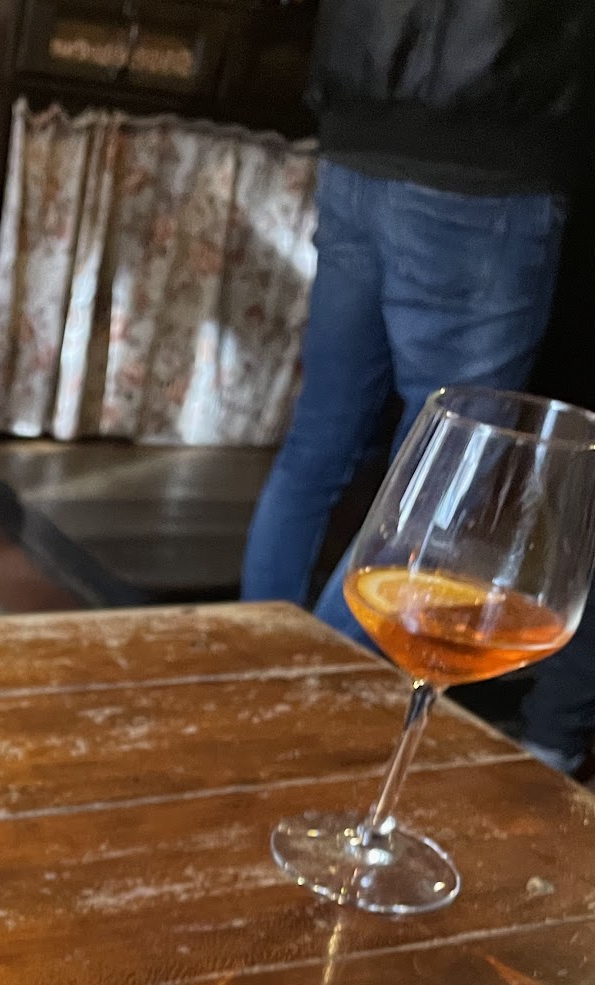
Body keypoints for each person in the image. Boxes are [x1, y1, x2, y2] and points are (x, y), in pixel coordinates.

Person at [241, 0, 595, 646]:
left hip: (357, 136)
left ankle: (254, 657)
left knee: (319, 442)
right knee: (449, 469)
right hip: (487, 154)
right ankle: (318, 678)